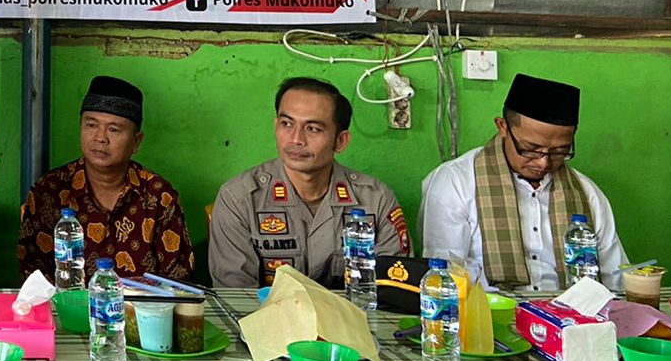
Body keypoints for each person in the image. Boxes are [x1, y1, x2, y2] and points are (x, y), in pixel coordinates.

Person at [419, 72, 626, 291]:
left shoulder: (586, 192)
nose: (543, 162)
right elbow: (442, 280)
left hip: (571, 310)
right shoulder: (455, 183)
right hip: (489, 309)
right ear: (503, 127)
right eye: (530, 149)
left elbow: (615, 279)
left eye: (559, 151)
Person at [209, 76, 410, 288]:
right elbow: (236, 296)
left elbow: (394, 288)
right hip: (267, 311)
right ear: (276, 126)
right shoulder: (240, 198)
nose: (296, 139)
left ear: (340, 141)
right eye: (287, 124)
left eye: (313, 128)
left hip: (353, 311)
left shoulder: (375, 199)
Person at [16, 75, 193, 282]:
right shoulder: (49, 191)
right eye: (91, 125)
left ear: (136, 142)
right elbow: (33, 280)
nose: (100, 138)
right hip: (66, 303)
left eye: (113, 129)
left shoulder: (159, 195)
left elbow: (179, 280)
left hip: (142, 304)